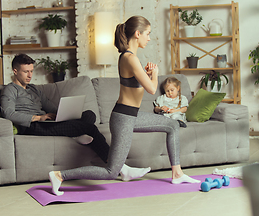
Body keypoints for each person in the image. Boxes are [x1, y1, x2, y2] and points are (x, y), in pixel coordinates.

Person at [48, 16, 200, 196]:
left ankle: (177, 173)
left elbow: (139, 87)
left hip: (131, 116)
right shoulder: (130, 58)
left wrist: (147, 73)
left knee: (172, 125)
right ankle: (59, 175)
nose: (149, 38)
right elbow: (152, 89)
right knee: (111, 171)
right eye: (147, 34)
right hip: (123, 119)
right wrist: (155, 73)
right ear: (137, 34)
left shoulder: (130, 58)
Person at [0, 54, 150, 182]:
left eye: (31, 71)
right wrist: (37, 118)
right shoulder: (10, 90)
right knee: (90, 128)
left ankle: (76, 133)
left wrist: (68, 112)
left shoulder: (34, 89)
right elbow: (8, 113)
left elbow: (51, 107)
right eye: (26, 72)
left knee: (89, 114)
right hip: (35, 125)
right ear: (15, 71)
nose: (30, 75)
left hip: (47, 121)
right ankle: (122, 168)